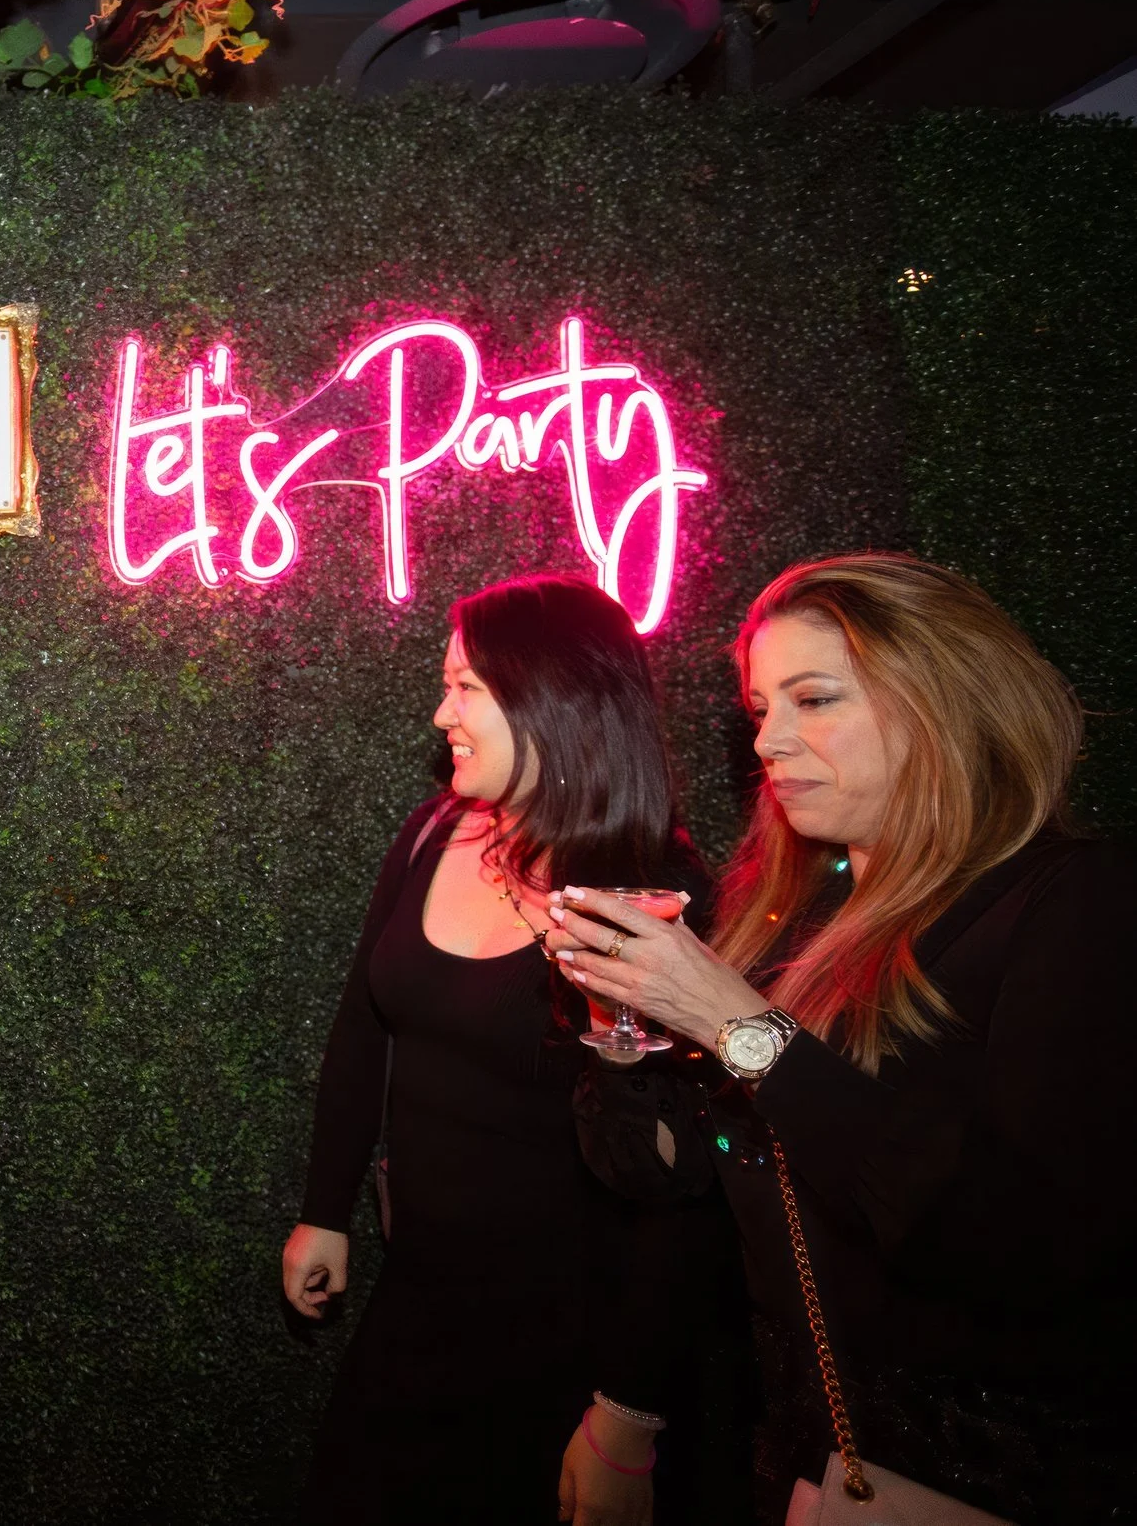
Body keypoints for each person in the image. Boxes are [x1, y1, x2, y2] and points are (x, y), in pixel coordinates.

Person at [550, 553, 1136, 1522]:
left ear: (944, 700)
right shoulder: (791, 922)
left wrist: (735, 1025)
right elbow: (677, 1191)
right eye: (759, 710)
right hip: (797, 1461)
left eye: (811, 698)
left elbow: (1026, 1242)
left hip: (995, 1476)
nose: (769, 740)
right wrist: (627, 1040)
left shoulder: (1073, 905)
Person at [284, 574, 733, 1524]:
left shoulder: (649, 893)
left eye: (466, 689)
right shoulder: (434, 832)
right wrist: (325, 1208)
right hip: (420, 1305)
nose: (441, 711)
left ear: (554, 700)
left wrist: (627, 1412)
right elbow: (364, 1027)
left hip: (571, 1341)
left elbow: (680, 1195)